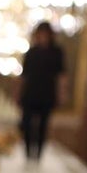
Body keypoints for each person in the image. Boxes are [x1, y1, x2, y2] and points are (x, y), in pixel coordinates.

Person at [18, 21, 65, 164]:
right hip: (30, 93)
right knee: (26, 124)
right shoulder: (31, 52)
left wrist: (61, 94)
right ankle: (27, 155)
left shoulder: (57, 52)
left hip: (47, 94)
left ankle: (38, 156)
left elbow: (62, 75)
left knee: (43, 126)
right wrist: (19, 93)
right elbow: (24, 76)